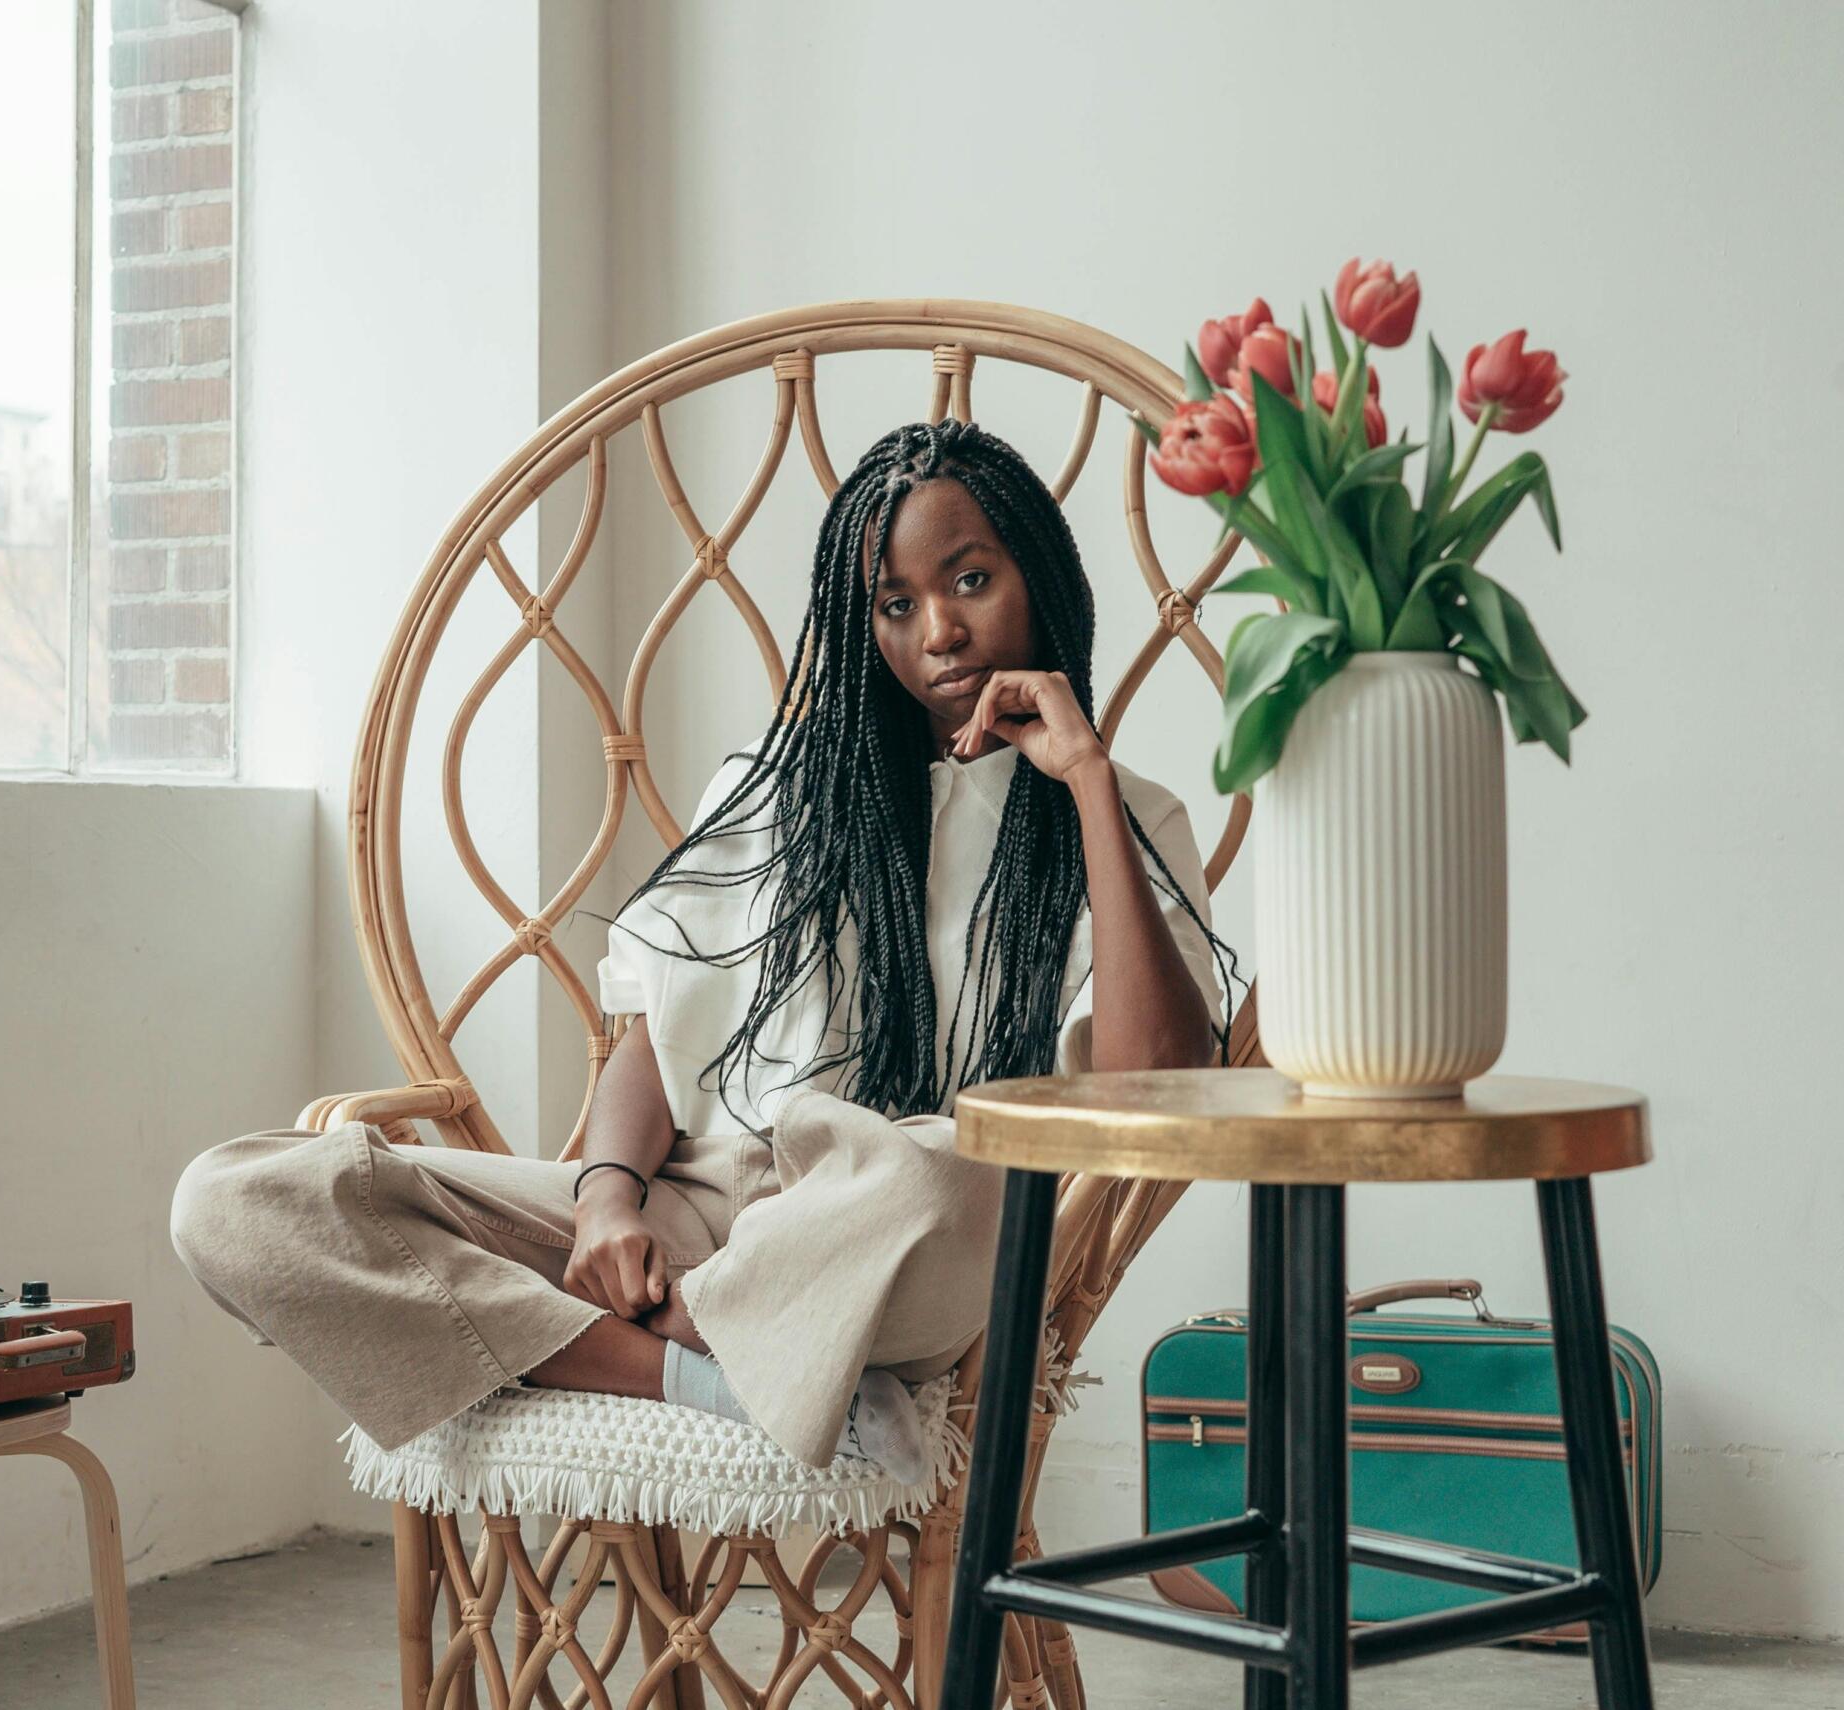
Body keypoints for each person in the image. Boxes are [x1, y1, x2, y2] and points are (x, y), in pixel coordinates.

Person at [169, 419, 1234, 1485]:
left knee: (958, 1168)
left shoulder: (1127, 816)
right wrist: (601, 1204)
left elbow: (1159, 1085)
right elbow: (657, 1038)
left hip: (883, 1236)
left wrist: (1085, 779)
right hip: (694, 1217)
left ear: (1040, 578)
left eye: (970, 580)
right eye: (896, 604)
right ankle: (705, 1375)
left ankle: (660, 1343)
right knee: (241, 1201)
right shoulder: (776, 792)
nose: (939, 633)